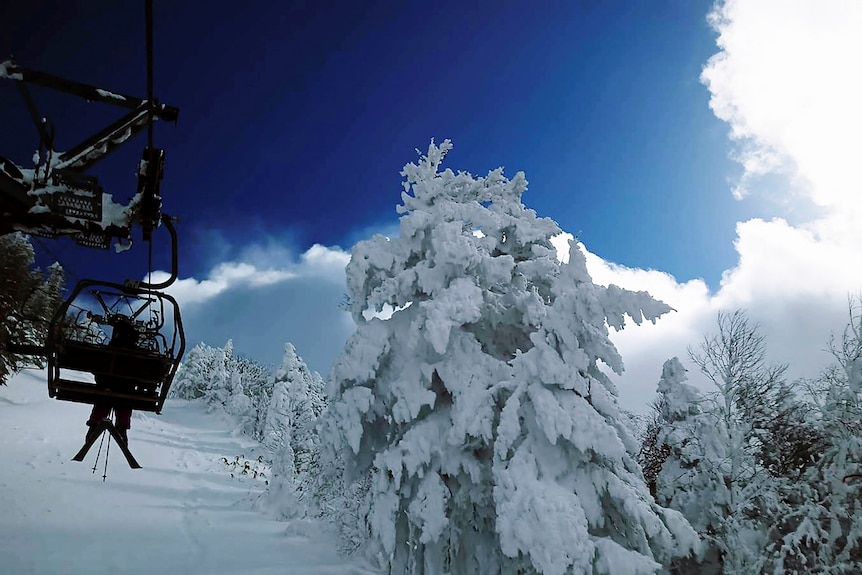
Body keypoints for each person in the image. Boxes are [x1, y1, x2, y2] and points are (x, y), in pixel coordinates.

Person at [85, 315, 139, 445]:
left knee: (103, 399)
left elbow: (96, 368)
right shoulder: (137, 353)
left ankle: (94, 426)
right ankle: (122, 428)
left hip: (106, 386)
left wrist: (102, 379)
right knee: (125, 400)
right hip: (126, 389)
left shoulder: (107, 350)